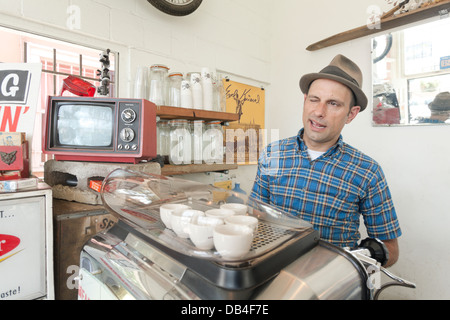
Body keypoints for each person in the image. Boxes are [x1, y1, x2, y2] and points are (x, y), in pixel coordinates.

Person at [250, 54, 401, 267]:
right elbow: (254, 215)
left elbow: (391, 250)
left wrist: (365, 256)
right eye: (314, 100)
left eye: (333, 103)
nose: (319, 112)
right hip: (271, 271)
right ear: (305, 101)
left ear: (351, 114)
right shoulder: (272, 153)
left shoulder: (368, 172)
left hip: (331, 284)